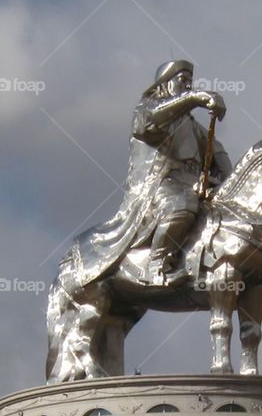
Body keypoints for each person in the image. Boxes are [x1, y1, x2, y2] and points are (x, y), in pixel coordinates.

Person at [70, 60, 232, 289]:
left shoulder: (193, 125)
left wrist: (230, 182)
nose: (187, 86)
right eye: (182, 81)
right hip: (162, 185)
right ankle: (156, 266)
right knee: (181, 206)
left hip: (196, 185)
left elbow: (216, 150)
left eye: (190, 82)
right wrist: (194, 98)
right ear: (165, 84)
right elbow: (148, 124)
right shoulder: (148, 110)